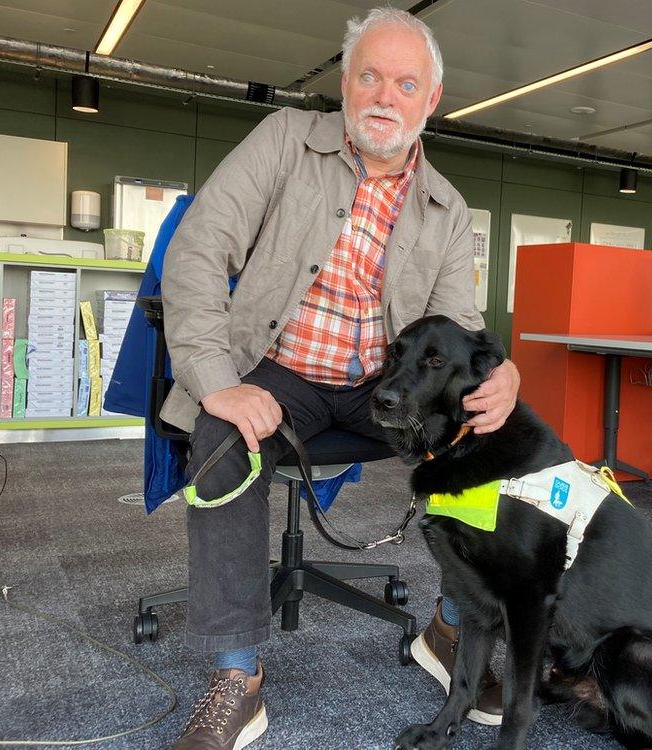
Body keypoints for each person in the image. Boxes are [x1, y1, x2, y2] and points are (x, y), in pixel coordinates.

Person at [162, 8, 517, 748]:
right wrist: (215, 378)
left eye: (406, 83)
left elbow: (454, 330)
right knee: (224, 436)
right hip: (277, 367)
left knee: (488, 434)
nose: (386, 96)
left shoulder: (446, 209)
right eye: (371, 77)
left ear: (432, 101)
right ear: (346, 84)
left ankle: (453, 630)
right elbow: (197, 250)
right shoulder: (285, 141)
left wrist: (499, 374)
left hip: (378, 387)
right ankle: (237, 678)